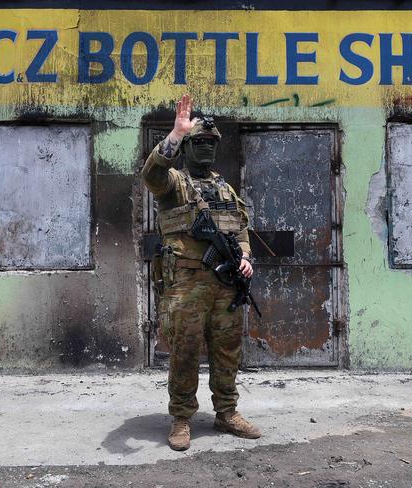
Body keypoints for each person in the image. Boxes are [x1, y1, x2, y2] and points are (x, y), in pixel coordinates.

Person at [142, 94, 261, 451]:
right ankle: (181, 418)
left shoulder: (225, 187)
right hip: (187, 284)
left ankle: (227, 413)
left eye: (211, 143)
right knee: (185, 352)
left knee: (227, 351)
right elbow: (151, 174)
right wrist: (176, 135)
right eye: (199, 143)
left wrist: (244, 256)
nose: (206, 149)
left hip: (225, 283)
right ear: (189, 147)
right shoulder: (175, 184)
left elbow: (240, 227)